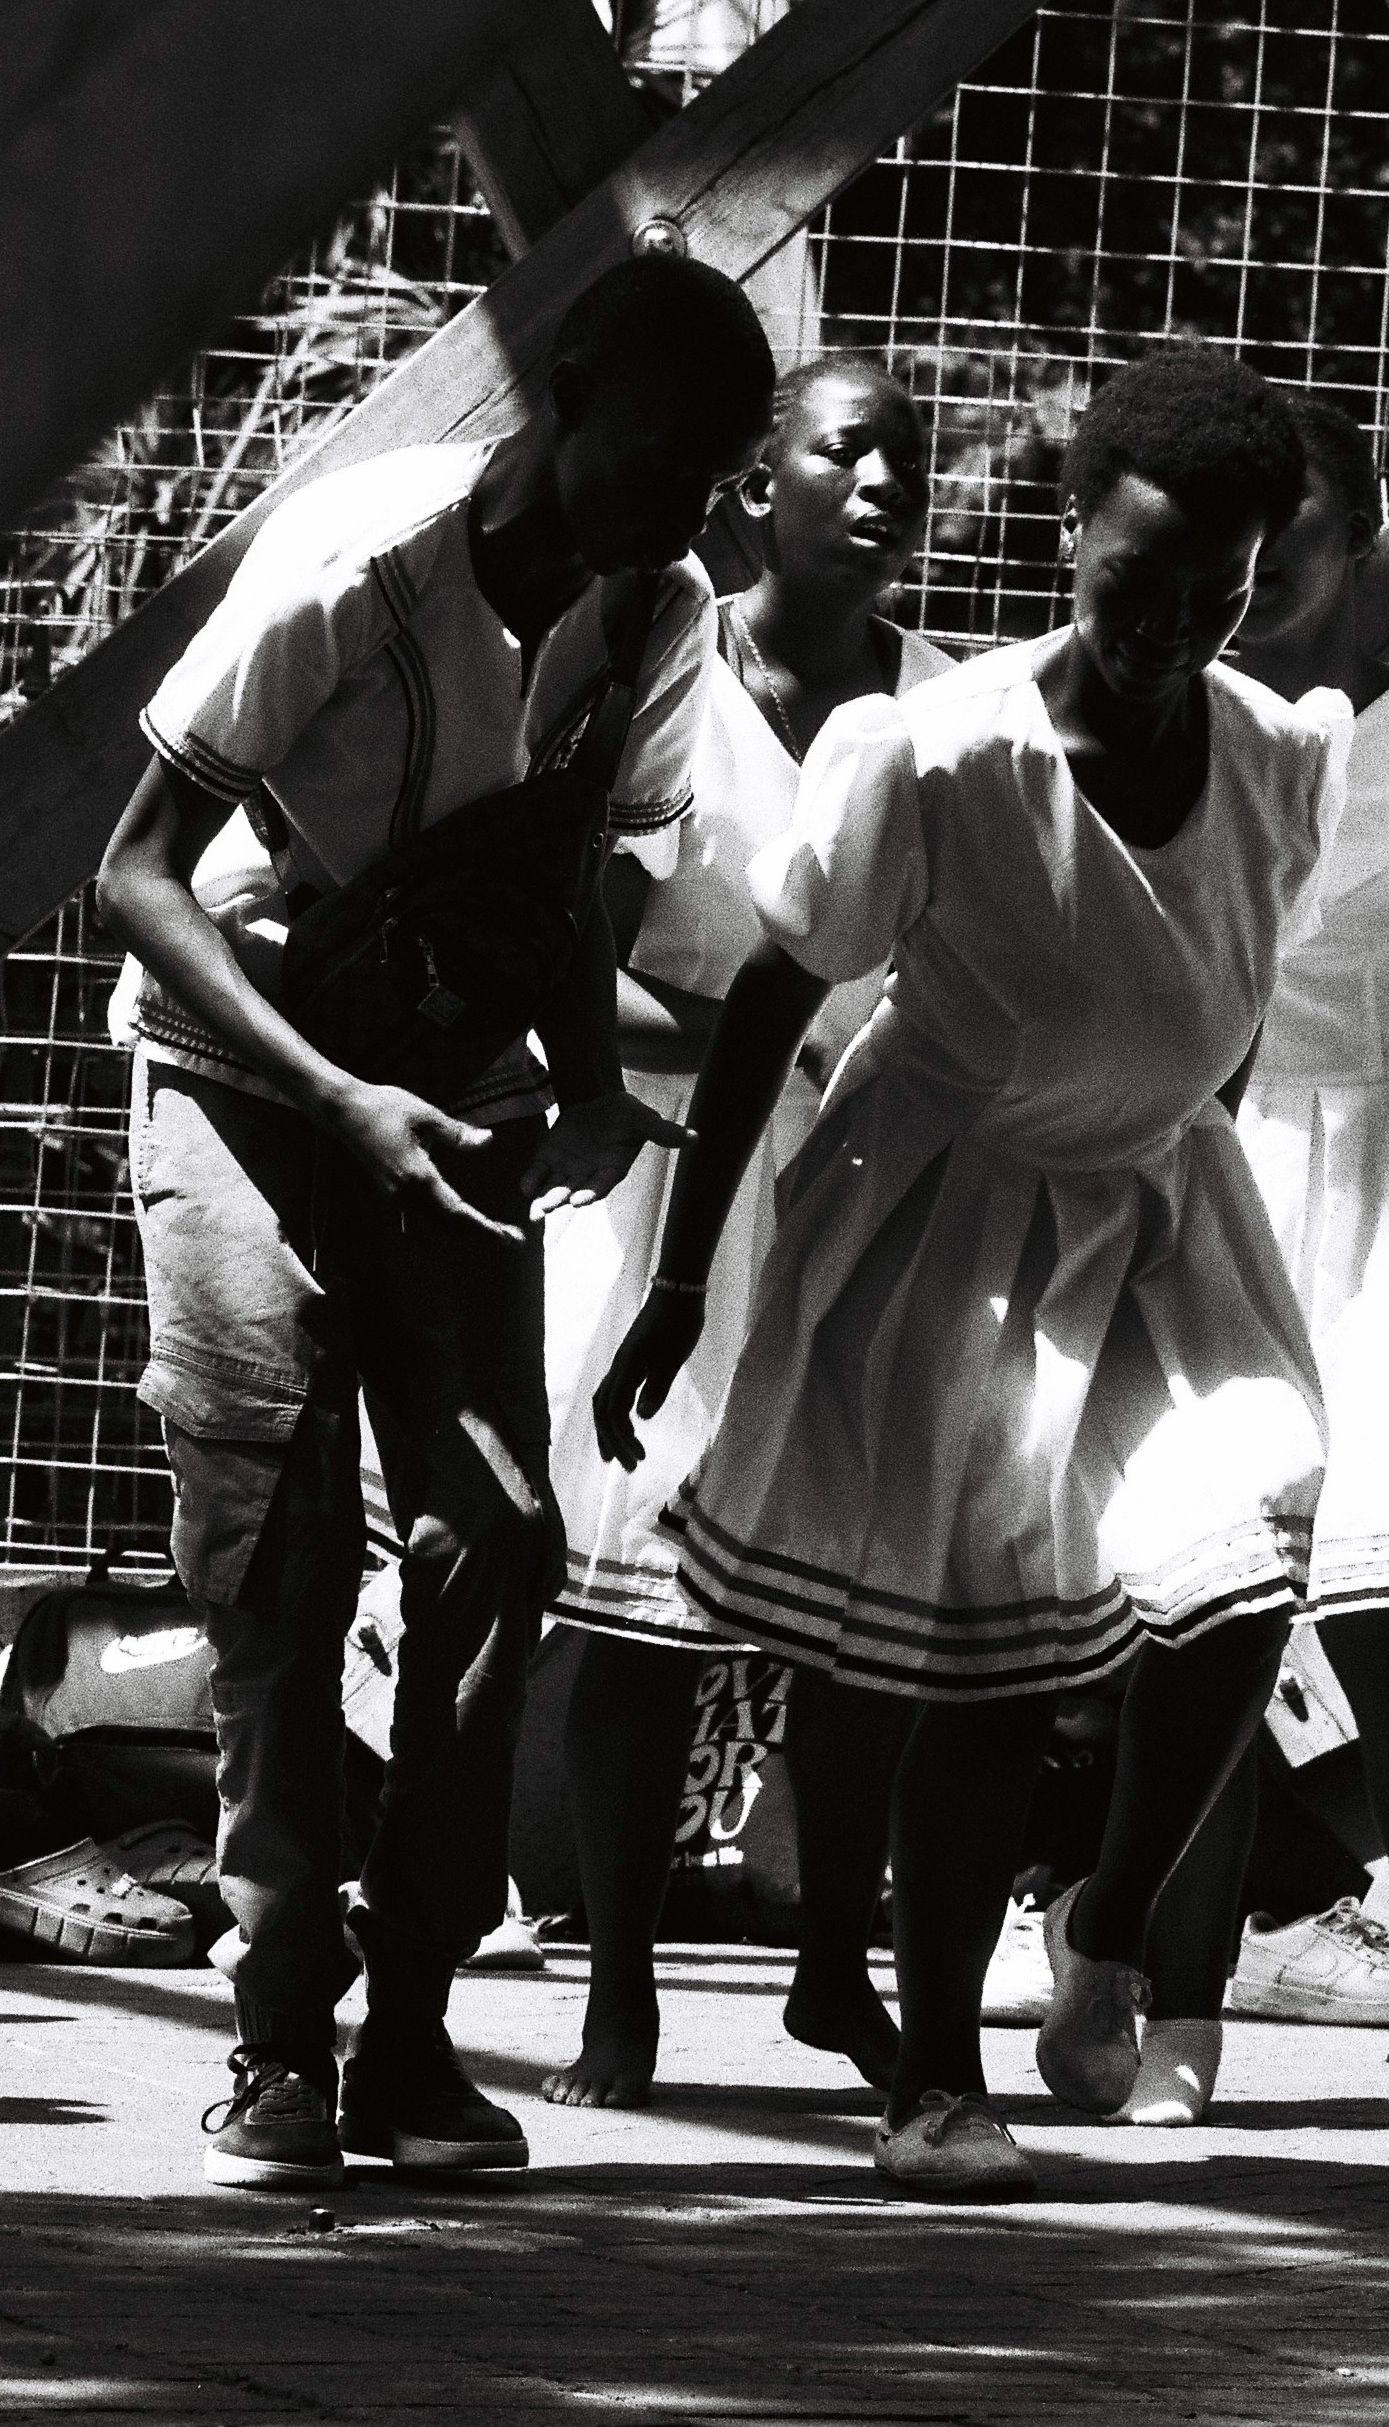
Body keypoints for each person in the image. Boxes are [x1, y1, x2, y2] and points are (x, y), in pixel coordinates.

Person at [596, 346, 1350, 2195]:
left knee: (1253, 1547)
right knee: (986, 1648)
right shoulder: (934, 750)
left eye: (1214, 594)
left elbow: (1215, 996)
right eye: (1131, 583)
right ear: (1066, 539)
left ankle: (1100, 1924)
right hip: (951, 1214)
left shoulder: (1278, 753)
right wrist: (689, 1275)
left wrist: (1183, 1134)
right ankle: (936, 2076)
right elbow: (781, 984)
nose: (1168, 626)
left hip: (1162, 1208)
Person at [92, 252, 774, 2192]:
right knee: (280, 1546)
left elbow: (575, 879)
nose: (691, 500)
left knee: (491, 1540)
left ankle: (411, 2033)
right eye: (667, 448)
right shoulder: (357, 557)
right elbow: (133, 874)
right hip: (244, 1081)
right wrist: (329, 1097)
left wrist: (578, 1073)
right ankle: (277, 2031)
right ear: (567, 395)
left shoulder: (662, 613)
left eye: (724, 471)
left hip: (451, 1108)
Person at [1086, 395, 1389, 2138]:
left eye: (1304, 537)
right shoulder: (1162, 733)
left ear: (1367, 539)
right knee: (1201, 1612)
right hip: (1208, 1189)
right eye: (1238, 545)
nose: (1268, 574)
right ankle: (1177, 2020)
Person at [533, 356, 952, 2111]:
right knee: (640, 1584)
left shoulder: (947, 707)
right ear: (750, 482)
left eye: (903, 457)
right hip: (662, 1173)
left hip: (869, 1170)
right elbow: (577, 951)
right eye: (840, 448)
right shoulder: (664, 677)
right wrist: (737, 1049)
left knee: (859, 1587)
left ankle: (831, 1960)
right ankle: (615, 1985)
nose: (879, 480)